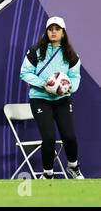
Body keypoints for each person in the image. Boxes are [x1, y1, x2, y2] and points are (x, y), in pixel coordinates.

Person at [20, 16, 84, 179]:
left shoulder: (71, 54)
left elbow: (75, 76)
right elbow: (24, 73)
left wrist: (69, 88)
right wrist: (43, 84)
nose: (53, 32)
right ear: (46, 32)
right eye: (50, 29)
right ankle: (48, 173)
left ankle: (73, 166)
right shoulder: (35, 52)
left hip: (62, 100)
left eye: (57, 29)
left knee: (69, 136)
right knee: (49, 137)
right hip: (40, 99)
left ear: (63, 33)